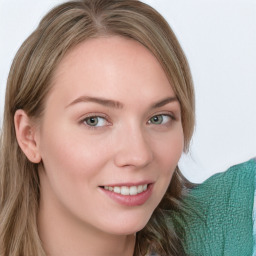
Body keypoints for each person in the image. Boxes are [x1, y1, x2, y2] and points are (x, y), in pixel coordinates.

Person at [0, 0, 255, 256]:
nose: (138, 155)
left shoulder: (232, 225)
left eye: (158, 118)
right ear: (29, 136)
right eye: (94, 120)